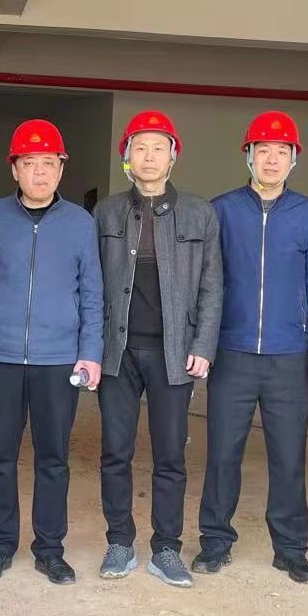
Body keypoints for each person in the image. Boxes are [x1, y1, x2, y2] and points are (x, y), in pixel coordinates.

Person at [196, 111, 308, 582]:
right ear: (248, 156)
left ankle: (291, 549)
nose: (272, 159)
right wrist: (204, 343)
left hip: (288, 354)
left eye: (281, 151)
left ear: (294, 159)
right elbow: (207, 282)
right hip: (231, 352)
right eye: (263, 150)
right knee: (222, 454)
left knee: (288, 456)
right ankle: (215, 542)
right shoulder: (222, 210)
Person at [0, 119, 103, 586]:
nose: (40, 172)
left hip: (59, 359)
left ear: (61, 169)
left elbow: (92, 292)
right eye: (29, 163)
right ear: (15, 169)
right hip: (1, 355)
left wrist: (90, 351)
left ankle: (50, 549)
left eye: (49, 163)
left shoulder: (81, 224)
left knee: (53, 459)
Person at [93, 110, 220, 587]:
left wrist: (203, 344)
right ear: (126, 158)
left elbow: (212, 286)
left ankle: (167, 548)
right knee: (115, 452)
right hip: (117, 352)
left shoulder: (199, 213)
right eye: (140, 148)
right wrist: (90, 346)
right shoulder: (106, 213)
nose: (149, 157)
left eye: (158, 148)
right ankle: (119, 543)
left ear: (173, 156)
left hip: (174, 354)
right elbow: (89, 286)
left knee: (170, 455)